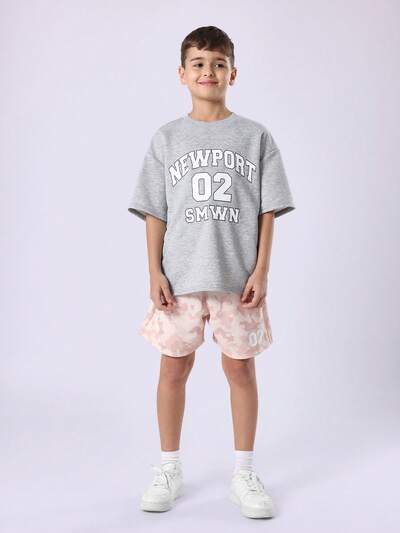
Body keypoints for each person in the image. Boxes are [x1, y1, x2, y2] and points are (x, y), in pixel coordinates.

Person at [127, 25, 295, 519]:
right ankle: (168, 467)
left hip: (236, 279)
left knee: (240, 368)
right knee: (173, 367)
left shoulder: (255, 136)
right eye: (198, 63)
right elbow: (154, 210)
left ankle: (244, 472)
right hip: (179, 278)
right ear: (182, 74)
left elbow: (268, 209)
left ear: (233, 74)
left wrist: (261, 270)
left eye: (219, 64)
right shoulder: (167, 138)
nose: (208, 71)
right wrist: (154, 271)